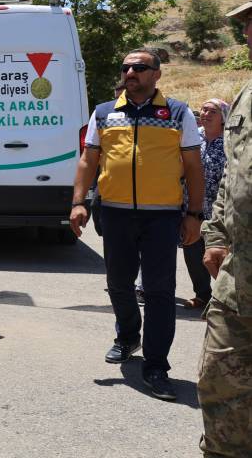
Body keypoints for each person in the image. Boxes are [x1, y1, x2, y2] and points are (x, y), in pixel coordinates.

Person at [70, 48, 204, 402]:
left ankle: (156, 366)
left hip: (162, 216)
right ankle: (128, 336)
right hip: (114, 213)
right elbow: (88, 160)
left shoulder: (178, 112)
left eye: (140, 67)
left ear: (157, 74)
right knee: (118, 283)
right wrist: (78, 202)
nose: (131, 72)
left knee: (159, 291)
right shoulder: (103, 113)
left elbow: (193, 166)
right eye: (127, 67)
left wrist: (195, 214)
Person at [197, 0, 252, 457]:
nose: (249, 35)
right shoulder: (246, 97)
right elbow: (231, 179)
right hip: (238, 283)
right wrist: (215, 237)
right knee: (219, 387)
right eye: (248, 27)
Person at [181, 98, 227, 311]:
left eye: (212, 111)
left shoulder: (230, 142)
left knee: (218, 256)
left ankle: (223, 298)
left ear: (223, 118)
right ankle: (202, 295)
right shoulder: (192, 138)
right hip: (191, 208)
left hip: (219, 211)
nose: (206, 114)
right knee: (192, 253)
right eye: (204, 110)